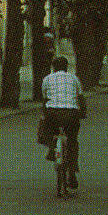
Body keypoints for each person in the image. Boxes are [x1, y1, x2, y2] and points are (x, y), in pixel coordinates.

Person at [38, 55, 84, 187]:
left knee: (46, 127)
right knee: (72, 140)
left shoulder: (47, 79)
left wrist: (45, 113)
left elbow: (45, 98)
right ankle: (73, 171)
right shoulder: (74, 78)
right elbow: (80, 98)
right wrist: (82, 113)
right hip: (71, 113)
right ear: (67, 67)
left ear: (53, 68)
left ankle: (52, 147)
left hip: (52, 113)